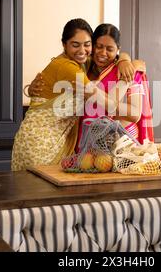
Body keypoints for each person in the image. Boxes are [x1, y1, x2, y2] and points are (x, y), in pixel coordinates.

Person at [11, 19, 139, 171]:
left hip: (55, 142)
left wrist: (125, 58)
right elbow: (110, 104)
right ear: (64, 45)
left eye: (87, 44)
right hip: (40, 143)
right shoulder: (69, 68)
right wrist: (129, 76)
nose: (82, 50)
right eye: (75, 44)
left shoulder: (83, 63)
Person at [29, 23, 154, 147]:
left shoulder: (129, 72)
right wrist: (30, 90)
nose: (103, 53)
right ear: (92, 46)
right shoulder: (83, 68)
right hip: (85, 141)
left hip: (121, 139)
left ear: (118, 49)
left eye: (110, 49)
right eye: (99, 47)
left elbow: (135, 114)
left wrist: (125, 62)